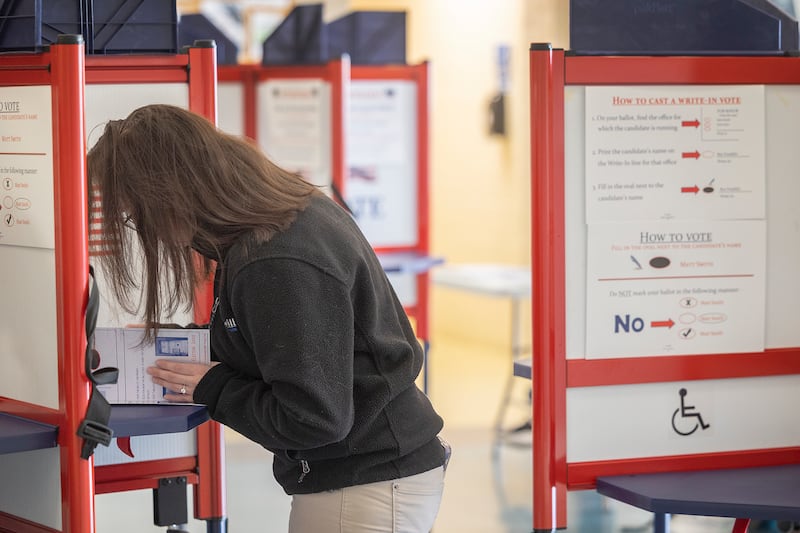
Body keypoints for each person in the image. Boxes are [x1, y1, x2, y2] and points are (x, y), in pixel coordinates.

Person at [87, 104, 450, 532]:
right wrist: (189, 345)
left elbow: (313, 419)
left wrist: (212, 387)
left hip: (365, 484)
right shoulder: (277, 221)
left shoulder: (275, 260)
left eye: (135, 214)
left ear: (169, 195)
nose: (143, 229)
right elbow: (278, 339)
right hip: (366, 475)